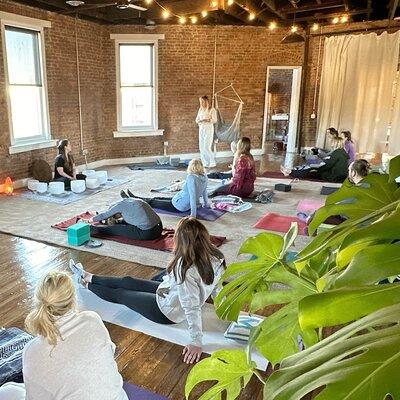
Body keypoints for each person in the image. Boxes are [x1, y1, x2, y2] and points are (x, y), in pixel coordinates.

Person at [70, 217, 226, 365]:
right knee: (127, 281)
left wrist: (196, 342)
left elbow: (191, 307)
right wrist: (225, 309)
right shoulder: (216, 256)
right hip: (169, 293)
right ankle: (88, 276)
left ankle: (84, 284)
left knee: (121, 294)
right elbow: (217, 288)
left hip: (167, 312)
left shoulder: (185, 268)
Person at [18, 271, 127, 400]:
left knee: (8, 390)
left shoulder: (32, 351)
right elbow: (109, 352)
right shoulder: (92, 320)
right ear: (73, 299)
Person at [122, 159, 209, 218]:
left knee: (153, 202)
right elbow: (204, 192)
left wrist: (193, 215)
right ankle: (134, 197)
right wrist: (206, 204)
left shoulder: (191, 177)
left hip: (179, 206)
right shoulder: (204, 176)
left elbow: (193, 196)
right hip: (179, 200)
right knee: (158, 198)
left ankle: (132, 199)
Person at [83, 198, 163, 240]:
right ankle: (104, 222)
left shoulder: (119, 207)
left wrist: (89, 220)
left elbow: (104, 215)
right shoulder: (132, 200)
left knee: (113, 229)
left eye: (114, 216)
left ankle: (89, 228)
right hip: (159, 228)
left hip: (148, 233)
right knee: (123, 221)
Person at [281, 137, 349, 183]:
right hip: (340, 176)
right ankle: (291, 171)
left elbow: (327, 166)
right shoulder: (342, 152)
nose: (331, 143)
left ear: (335, 143)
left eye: (332, 142)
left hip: (334, 177)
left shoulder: (337, 153)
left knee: (311, 170)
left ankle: (290, 172)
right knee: (313, 168)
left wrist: (318, 169)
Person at [196, 96, 217, 168]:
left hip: (209, 128)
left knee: (206, 146)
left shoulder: (212, 110)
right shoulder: (200, 110)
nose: (201, 103)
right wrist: (199, 121)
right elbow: (197, 119)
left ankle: (212, 161)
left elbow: (214, 120)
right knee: (201, 146)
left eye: (202, 101)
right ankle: (204, 162)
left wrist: (205, 120)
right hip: (201, 128)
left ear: (206, 102)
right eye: (200, 102)